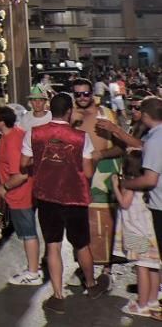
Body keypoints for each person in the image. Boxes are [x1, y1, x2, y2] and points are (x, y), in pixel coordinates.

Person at [21, 93, 109, 314]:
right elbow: (87, 172)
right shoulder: (81, 137)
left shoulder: (35, 133)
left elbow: (24, 163)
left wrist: (43, 160)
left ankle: (58, 296)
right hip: (75, 197)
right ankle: (91, 285)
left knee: (53, 245)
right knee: (81, 244)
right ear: (70, 111)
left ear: (51, 110)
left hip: (47, 197)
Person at [70, 78, 122, 276]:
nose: (82, 98)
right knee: (79, 221)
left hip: (105, 175)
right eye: (78, 94)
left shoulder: (106, 114)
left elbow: (120, 147)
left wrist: (101, 155)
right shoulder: (70, 116)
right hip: (78, 177)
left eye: (86, 93)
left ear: (92, 94)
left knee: (106, 220)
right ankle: (85, 265)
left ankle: (107, 265)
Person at [0, 106, 41, 285]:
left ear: (1, 121)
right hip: (25, 193)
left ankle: (33, 273)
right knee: (28, 232)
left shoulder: (12, 141)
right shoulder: (14, 134)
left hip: (20, 194)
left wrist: (4, 187)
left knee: (28, 234)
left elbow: (20, 174)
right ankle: (34, 266)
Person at [111, 151, 160, 318]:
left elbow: (125, 204)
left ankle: (142, 305)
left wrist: (116, 187)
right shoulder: (148, 185)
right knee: (153, 266)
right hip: (149, 231)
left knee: (141, 267)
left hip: (135, 231)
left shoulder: (130, 184)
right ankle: (153, 300)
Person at [117, 97, 162, 264]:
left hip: (157, 207)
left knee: (143, 262)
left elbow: (150, 180)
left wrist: (123, 184)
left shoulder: (155, 141)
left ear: (145, 115)